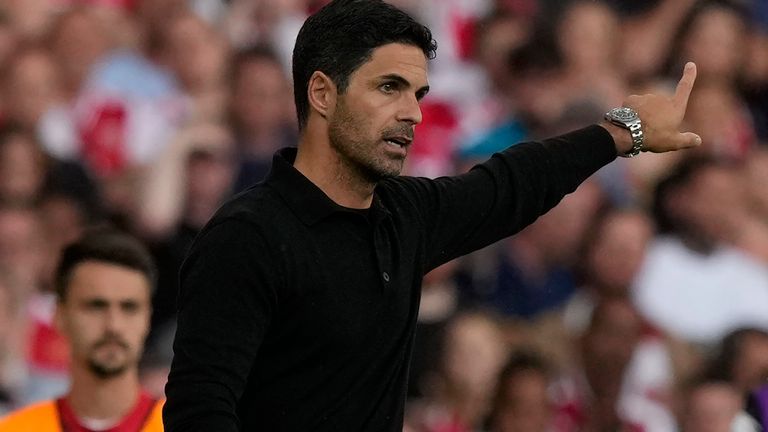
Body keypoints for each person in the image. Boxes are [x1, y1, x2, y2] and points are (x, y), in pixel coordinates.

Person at [162, 0, 701, 430]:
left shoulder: (406, 215)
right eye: (389, 87)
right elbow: (199, 410)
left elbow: (514, 182)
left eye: (418, 93)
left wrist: (620, 131)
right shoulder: (246, 236)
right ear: (322, 93)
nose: (413, 113)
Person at [0, 228, 164, 431]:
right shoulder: (16, 428)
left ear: (148, 317)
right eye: (95, 306)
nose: (113, 325)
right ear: (59, 315)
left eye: (129, 308)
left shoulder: (182, 427)